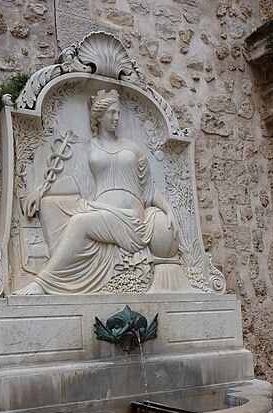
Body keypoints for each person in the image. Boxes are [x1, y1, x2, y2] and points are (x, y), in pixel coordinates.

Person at [15, 89, 178, 295]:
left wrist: (169, 210)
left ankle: (43, 283)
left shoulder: (133, 149)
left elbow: (150, 189)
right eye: (112, 113)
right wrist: (41, 190)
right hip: (100, 208)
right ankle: (64, 267)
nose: (116, 118)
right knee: (48, 204)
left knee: (80, 222)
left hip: (130, 219)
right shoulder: (88, 149)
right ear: (99, 117)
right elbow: (75, 182)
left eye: (118, 113)